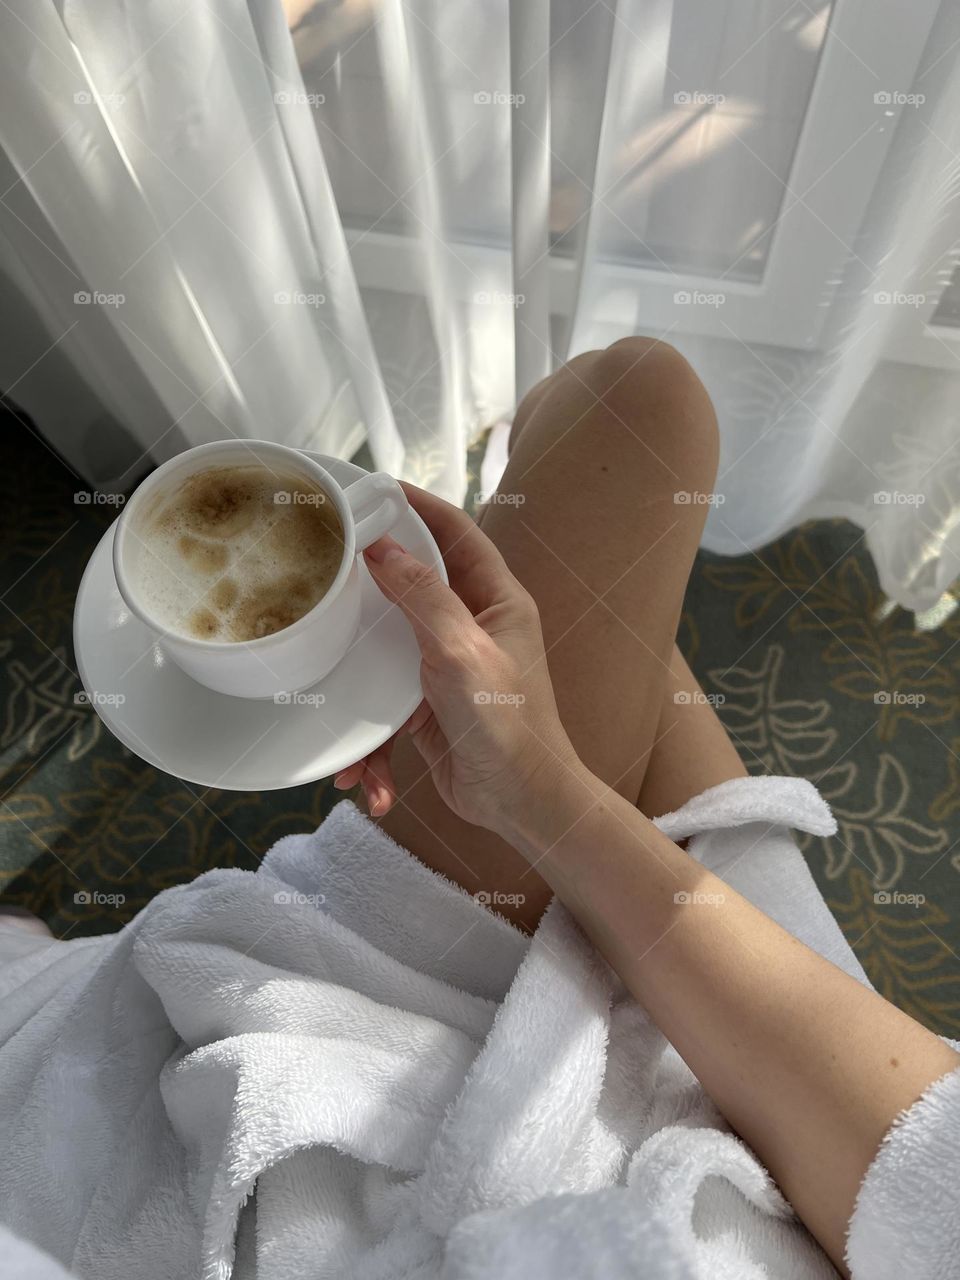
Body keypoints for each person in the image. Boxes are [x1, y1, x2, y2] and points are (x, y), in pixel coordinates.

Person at [1, 339, 957, 1279]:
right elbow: (920, 1175)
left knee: (623, 436)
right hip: (805, 1100)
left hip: (404, 1096)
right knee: (636, 419)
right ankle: (509, 493)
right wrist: (541, 792)